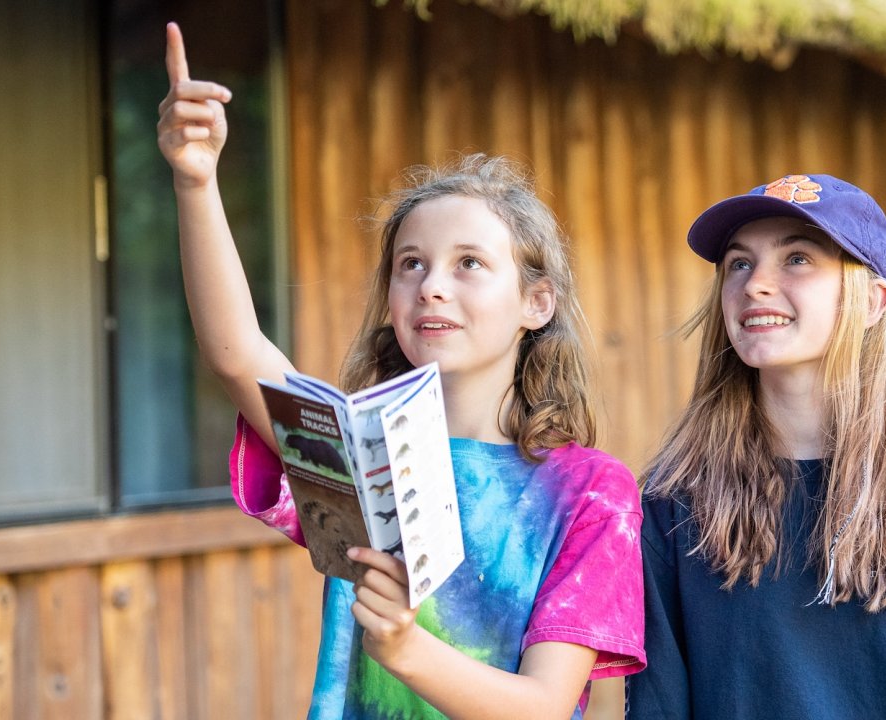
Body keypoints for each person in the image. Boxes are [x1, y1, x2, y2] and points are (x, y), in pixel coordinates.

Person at [156, 22, 644, 720]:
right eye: (410, 264)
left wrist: (407, 650)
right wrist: (195, 181)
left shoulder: (592, 493)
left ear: (538, 302)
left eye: (468, 263)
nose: (432, 286)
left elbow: (545, 706)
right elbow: (237, 354)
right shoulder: (357, 450)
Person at [624, 174, 886, 719]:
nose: (755, 284)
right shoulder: (674, 500)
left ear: (872, 302)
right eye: (739, 263)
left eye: (797, 259)